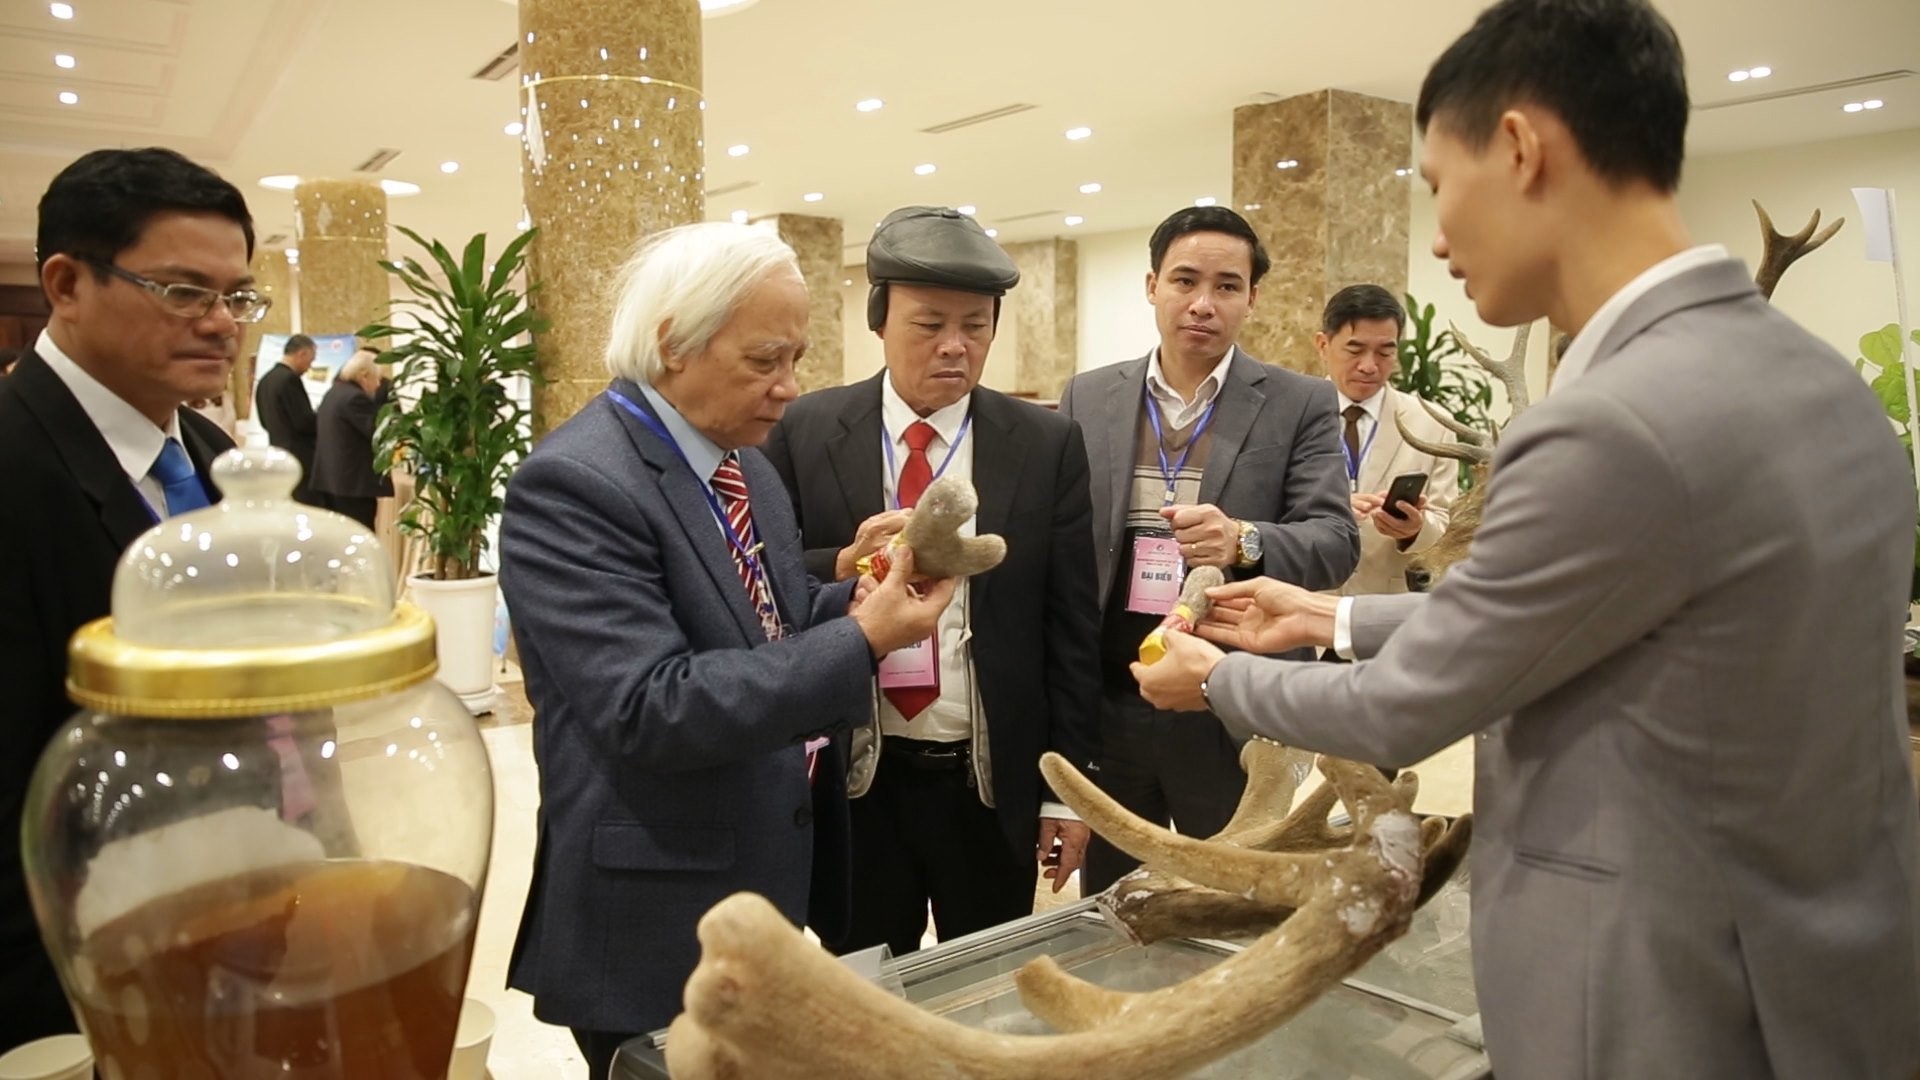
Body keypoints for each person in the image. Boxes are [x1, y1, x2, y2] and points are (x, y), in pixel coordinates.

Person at [1131, 0, 1920, 1075]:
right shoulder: (1823, 385)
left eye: (1440, 185)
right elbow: (1592, 614)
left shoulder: (1613, 421)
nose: (1438, 238)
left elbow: (1404, 709)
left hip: (1657, 994)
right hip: (1827, 978)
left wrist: (1219, 677)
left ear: (1518, 147)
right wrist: (1325, 615)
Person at [497, 222, 956, 1077]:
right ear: (673, 343)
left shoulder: (742, 465)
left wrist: (857, 596)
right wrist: (864, 636)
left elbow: (769, 624)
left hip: (755, 876)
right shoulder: (576, 484)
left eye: (797, 357)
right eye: (764, 360)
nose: (789, 387)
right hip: (657, 908)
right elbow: (652, 707)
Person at [762, 207, 1102, 956]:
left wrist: (1066, 793)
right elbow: (769, 583)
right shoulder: (805, 430)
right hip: (856, 780)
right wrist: (844, 564)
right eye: (930, 324)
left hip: (987, 784)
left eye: (976, 326)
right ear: (879, 320)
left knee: (988, 986)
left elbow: (1071, 628)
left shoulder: (1044, 443)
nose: (955, 345)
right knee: (862, 988)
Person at [0, 146, 263, 1052]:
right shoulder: (15, 465)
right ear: (67, 284)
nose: (221, 324)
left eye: (238, 297)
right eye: (185, 292)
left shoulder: (211, 456)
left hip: (236, 925)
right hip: (83, 978)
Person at [1058, 205, 1357, 892]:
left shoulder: (1300, 402)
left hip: (1230, 701)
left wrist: (1245, 539)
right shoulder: (1089, 396)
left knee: (1233, 895)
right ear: (1152, 285)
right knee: (1114, 900)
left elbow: (1335, 541)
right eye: (1185, 280)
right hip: (1112, 697)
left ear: (1252, 298)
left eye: (1227, 286)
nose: (1202, 303)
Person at [1316, 285, 1456, 599]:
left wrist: (1415, 529)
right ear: (1323, 345)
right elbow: (1261, 515)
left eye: (1385, 352)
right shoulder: (1289, 414)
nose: (1369, 366)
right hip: (1304, 602)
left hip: (1387, 609)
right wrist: (1327, 510)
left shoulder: (1433, 423)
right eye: (1355, 350)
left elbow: (1447, 528)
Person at [311, 348, 391, 528]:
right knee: (360, 534)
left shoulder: (334, 392)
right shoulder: (355, 398)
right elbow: (379, 433)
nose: (378, 385)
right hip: (352, 486)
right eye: (377, 378)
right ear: (364, 375)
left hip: (333, 481)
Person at [255, 332, 323, 507]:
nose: (309, 367)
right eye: (311, 360)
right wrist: (322, 418)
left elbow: (263, 421)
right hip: (300, 459)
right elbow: (303, 421)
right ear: (302, 354)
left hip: (277, 452)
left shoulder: (265, 380)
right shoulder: (289, 379)